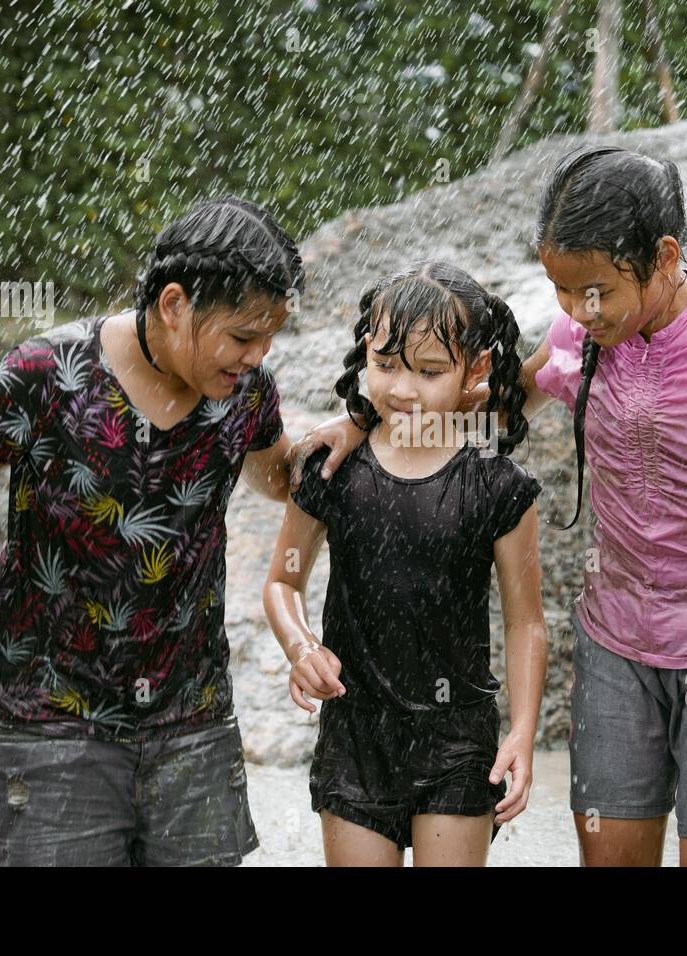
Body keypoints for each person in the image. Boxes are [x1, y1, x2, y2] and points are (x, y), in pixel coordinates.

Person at [293, 146, 687, 867]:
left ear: (665, 257)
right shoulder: (580, 339)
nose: (580, 310)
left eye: (598, 289)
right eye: (562, 289)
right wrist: (360, 420)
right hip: (616, 651)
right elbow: (473, 401)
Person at [0, 194, 305, 866]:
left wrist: (348, 437)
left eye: (270, 338)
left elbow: (280, 479)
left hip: (192, 721)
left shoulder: (245, 393)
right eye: (245, 336)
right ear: (173, 305)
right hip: (49, 719)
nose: (258, 355)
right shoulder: (45, 377)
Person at [265, 260, 547, 866]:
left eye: (429, 372)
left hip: (457, 738)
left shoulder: (497, 488)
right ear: (364, 351)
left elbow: (527, 622)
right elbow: (284, 580)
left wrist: (523, 731)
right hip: (355, 735)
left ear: (474, 372)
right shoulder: (333, 473)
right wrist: (301, 647)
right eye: (386, 365)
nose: (401, 389)